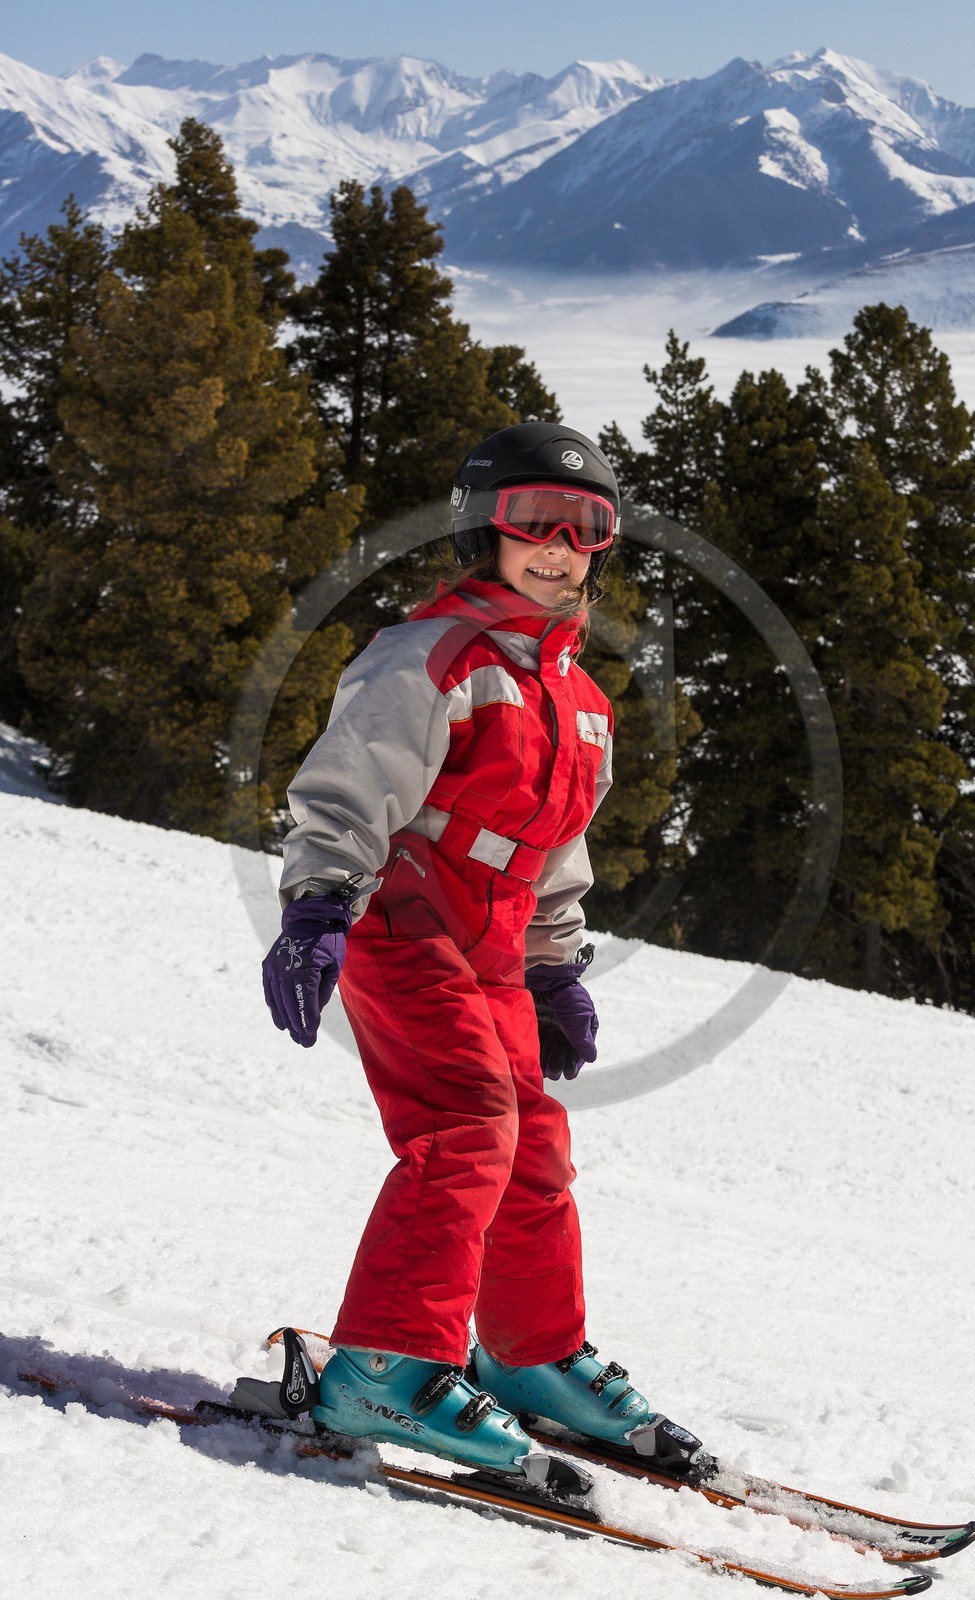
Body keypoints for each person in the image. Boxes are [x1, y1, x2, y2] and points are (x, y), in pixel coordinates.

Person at [261, 423, 663, 1481]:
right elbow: (348, 785)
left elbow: (546, 849)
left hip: (492, 947)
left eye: (586, 528)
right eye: (535, 520)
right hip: (401, 926)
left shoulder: (579, 701)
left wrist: (554, 966)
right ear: (483, 528)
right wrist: (313, 909)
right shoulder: (428, 656)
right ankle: (384, 1368)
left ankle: (530, 1356)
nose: (559, 545)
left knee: (533, 1141)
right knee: (464, 1125)